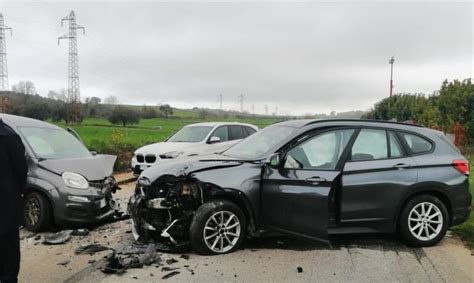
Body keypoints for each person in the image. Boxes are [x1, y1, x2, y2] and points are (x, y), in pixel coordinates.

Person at [0, 119, 28, 283]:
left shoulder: (9, 137)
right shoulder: (8, 135)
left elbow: (20, 172)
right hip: (7, 206)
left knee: (8, 255)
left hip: (6, 208)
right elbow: (21, 174)